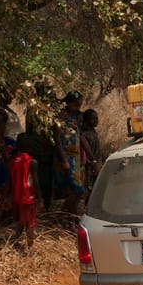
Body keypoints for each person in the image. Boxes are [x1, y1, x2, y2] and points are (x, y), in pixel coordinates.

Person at [53, 90, 93, 227]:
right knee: (78, 191)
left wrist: (91, 157)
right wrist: (64, 159)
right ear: (68, 103)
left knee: (73, 193)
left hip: (74, 159)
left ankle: (72, 222)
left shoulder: (74, 117)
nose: (78, 107)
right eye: (76, 104)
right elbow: (57, 139)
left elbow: (81, 137)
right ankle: (59, 216)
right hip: (65, 159)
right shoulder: (60, 117)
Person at [0, 86, 24, 224]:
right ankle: (4, 214)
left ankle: (8, 214)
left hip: (14, 147)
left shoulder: (4, 111)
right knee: (6, 181)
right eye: (11, 93)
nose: (13, 96)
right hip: (8, 149)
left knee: (12, 182)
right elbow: (0, 139)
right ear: (1, 94)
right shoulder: (0, 113)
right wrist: (6, 157)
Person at [7, 133, 42, 248]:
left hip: (16, 197)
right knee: (30, 224)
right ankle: (30, 248)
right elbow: (36, 182)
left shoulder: (12, 161)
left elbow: (9, 180)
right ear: (31, 146)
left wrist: (8, 196)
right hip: (28, 197)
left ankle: (14, 241)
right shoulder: (32, 162)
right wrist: (40, 198)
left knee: (20, 221)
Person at [82, 108, 102, 197]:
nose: (96, 121)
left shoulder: (93, 132)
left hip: (97, 162)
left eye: (96, 118)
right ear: (87, 120)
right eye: (93, 119)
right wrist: (94, 162)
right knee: (92, 186)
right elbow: (88, 151)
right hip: (91, 164)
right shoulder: (84, 135)